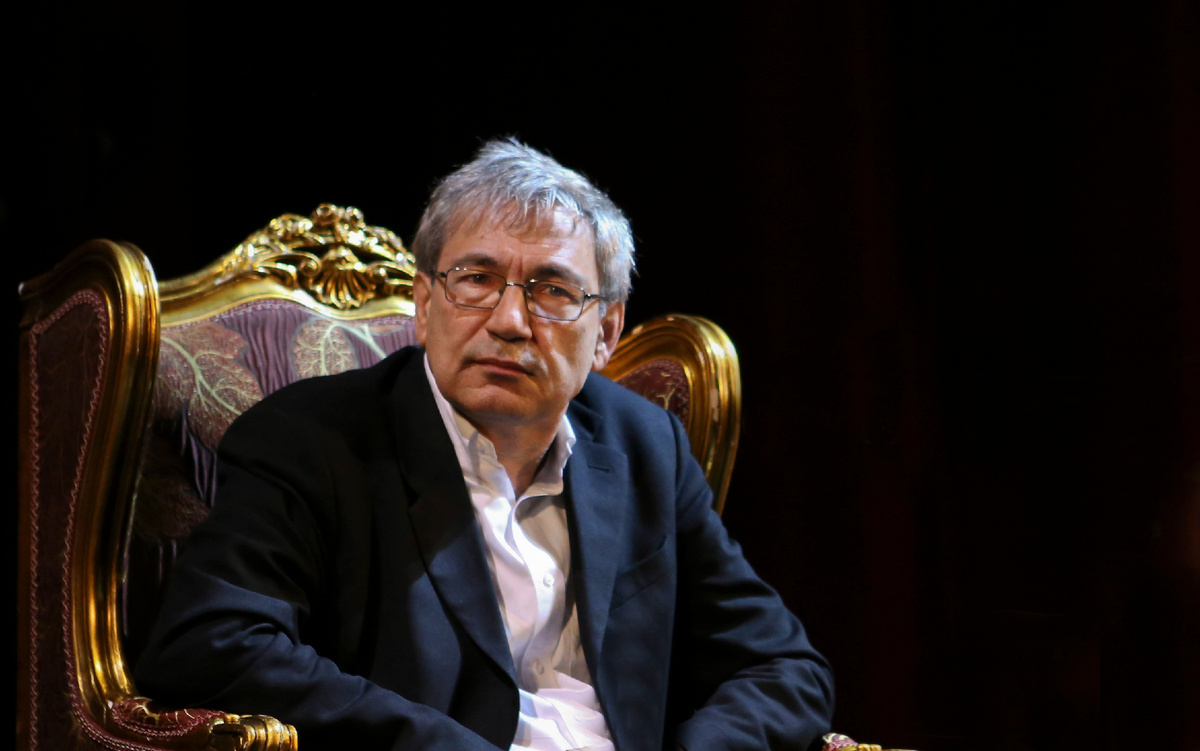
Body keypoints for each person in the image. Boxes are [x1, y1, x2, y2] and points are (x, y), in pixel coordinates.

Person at [135, 139, 835, 751]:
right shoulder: (314, 439)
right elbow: (211, 642)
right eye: (476, 279)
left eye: (552, 289)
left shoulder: (646, 445)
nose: (509, 320)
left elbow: (785, 669)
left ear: (606, 332)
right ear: (425, 303)